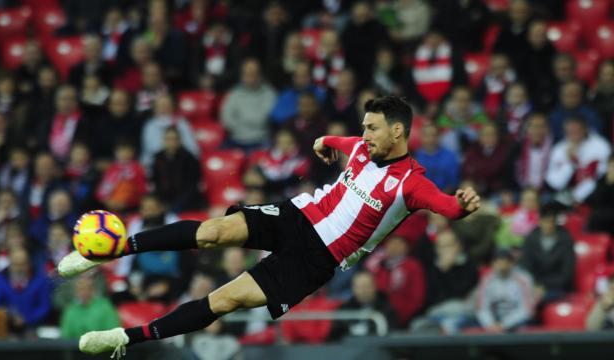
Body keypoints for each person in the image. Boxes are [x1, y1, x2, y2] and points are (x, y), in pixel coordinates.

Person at [56, 96, 481, 356]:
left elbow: (447, 207)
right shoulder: (358, 146)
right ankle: (113, 249)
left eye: (372, 127)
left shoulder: (412, 184)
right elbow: (335, 141)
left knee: (222, 301)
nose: (364, 134)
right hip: (298, 214)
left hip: (317, 259)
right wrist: (322, 143)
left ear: (398, 131)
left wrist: (462, 205)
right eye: (364, 126)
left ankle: (124, 339)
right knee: (214, 231)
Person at [475, 249, 536, 333]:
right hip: (494, 320)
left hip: (517, 321)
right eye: (499, 263)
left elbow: (527, 310)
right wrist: (489, 324)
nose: (502, 267)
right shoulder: (486, 280)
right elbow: (481, 308)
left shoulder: (523, 279)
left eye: (505, 263)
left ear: (512, 264)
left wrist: (504, 325)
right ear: (493, 264)